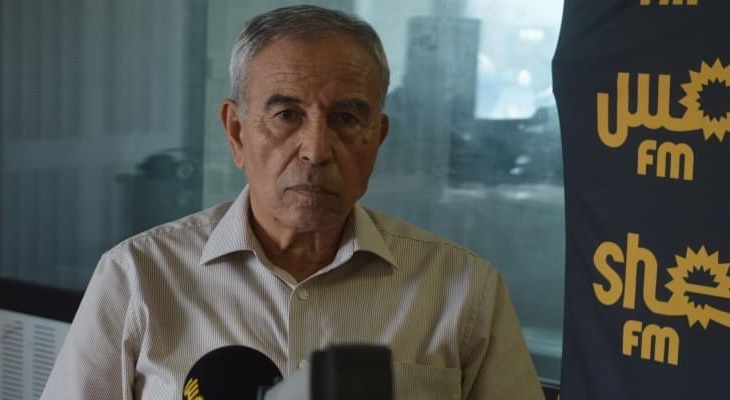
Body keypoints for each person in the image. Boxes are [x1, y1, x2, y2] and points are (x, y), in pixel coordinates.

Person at [41, 5, 544, 400]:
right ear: (237, 132)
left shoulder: (463, 290)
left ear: (377, 137)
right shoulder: (137, 277)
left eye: (346, 118)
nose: (316, 149)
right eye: (286, 115)